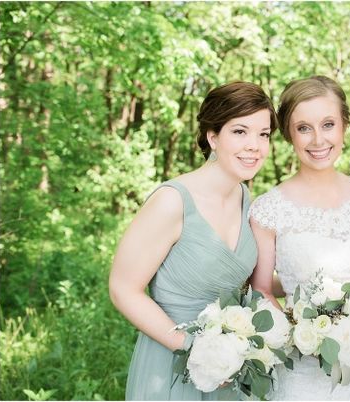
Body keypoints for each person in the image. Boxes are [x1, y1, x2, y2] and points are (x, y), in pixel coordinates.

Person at [109, 81, 276, 400]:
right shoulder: (173, 202)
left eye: (263, 134)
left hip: (229, 365)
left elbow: (245, 282)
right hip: (172, 364)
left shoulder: (244, 197)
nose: (254, 145)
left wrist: (313, 288)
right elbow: (123, 289)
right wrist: (193, 348)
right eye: (240, 131)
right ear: (213, 136)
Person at [249, 75, 350, 400]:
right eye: (304, 128)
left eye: (328, 124)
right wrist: (301, 335)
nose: (318, 140)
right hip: (302, 367)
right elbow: (262, 289)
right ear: (289, 135)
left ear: (344, 127)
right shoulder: (268, 209)